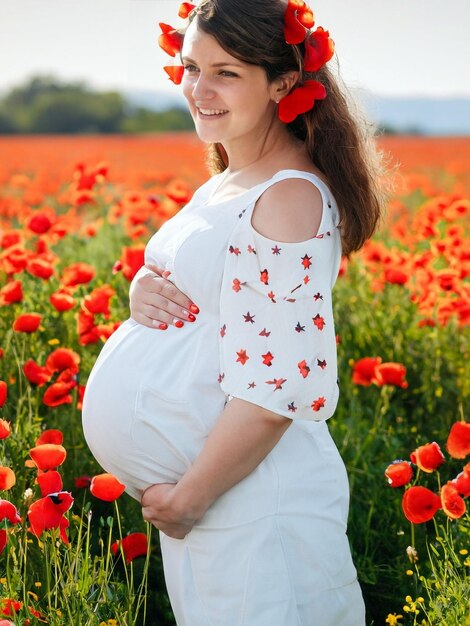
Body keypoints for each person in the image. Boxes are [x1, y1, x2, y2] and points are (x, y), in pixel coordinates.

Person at [82, 0, 384, 624]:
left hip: (248, 503)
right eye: (192, 67)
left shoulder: (290, 198)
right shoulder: (231, 180)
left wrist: (190, 499)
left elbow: (280, 388)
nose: (200, 89)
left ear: (283, 82)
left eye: (227, 72)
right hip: (223, 502)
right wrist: (144, 289)